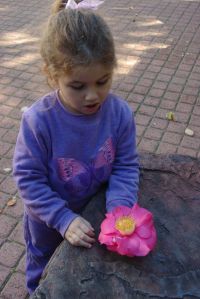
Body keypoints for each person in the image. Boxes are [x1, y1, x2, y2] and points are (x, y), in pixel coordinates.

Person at [12, 0, 139, 294]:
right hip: (48, 224)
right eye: (77, 86)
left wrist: (119, 209)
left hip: (97, 217)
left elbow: (126, 164)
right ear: (52, 75)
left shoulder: (119, 114)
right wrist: (62, 219)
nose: (92, 96)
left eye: (103, 81)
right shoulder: (39, 121)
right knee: (44, 272)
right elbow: (28, 179)